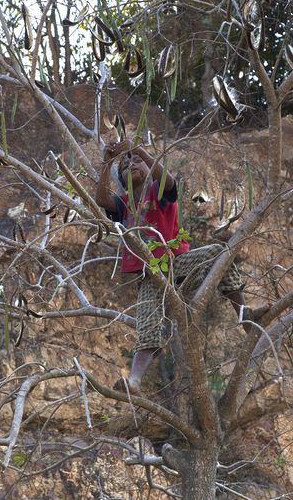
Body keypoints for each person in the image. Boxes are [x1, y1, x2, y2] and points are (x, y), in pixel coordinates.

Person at [96, 139, 266, 394]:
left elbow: (168, 178)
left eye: (137, 160)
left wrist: (140, 150)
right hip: (149, 275)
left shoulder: (159, 191)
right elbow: (100, 199)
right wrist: (107, 162)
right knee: (148, 324)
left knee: (218, 252)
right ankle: (134, 380)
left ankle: (244, 314)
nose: (131, 163)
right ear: (121, 176)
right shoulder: (124, 204)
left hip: (176, 264)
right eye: (125, 164)